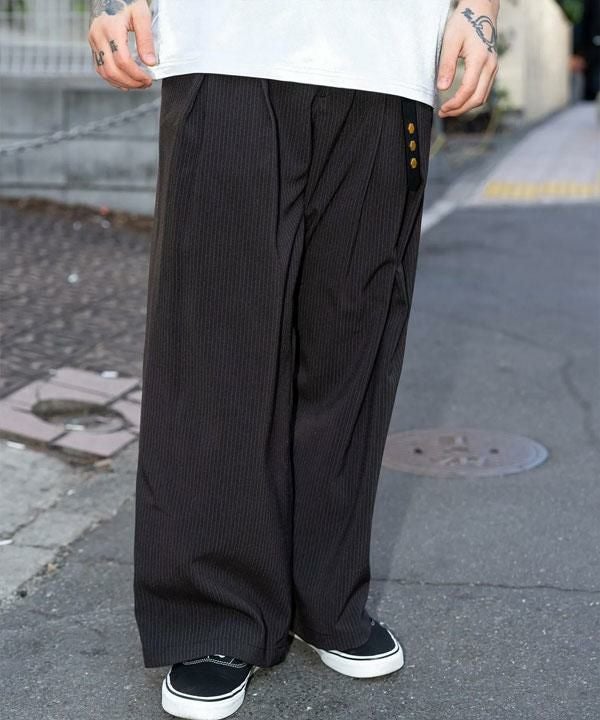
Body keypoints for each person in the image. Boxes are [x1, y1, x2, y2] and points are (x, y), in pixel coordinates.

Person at [88, 2, 499, 718]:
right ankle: (214, 615)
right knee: (214, 346)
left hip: (388, 60)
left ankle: (326, 594)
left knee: (353, 343)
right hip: (226, 46)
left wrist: (479, 10)